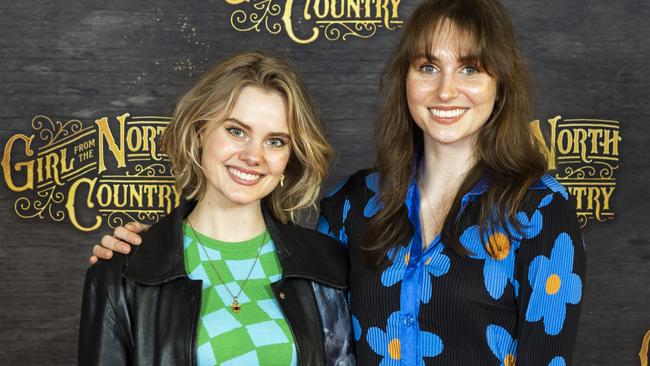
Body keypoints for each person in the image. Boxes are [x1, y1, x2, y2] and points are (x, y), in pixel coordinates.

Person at [93, 0, 586, 364]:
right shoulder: (352, 206)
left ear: (500, 86)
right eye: (428, 66)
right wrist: (149, 249)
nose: (446, 90)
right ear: (406, 80)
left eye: (471, 69)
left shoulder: (538, 210)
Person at [78, 51, 356, 366]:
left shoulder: (329, 266)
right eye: (236, 131)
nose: (254, 156)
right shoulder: (122, 272)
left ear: (290, 156)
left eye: (275, 141)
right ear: (200, 132)